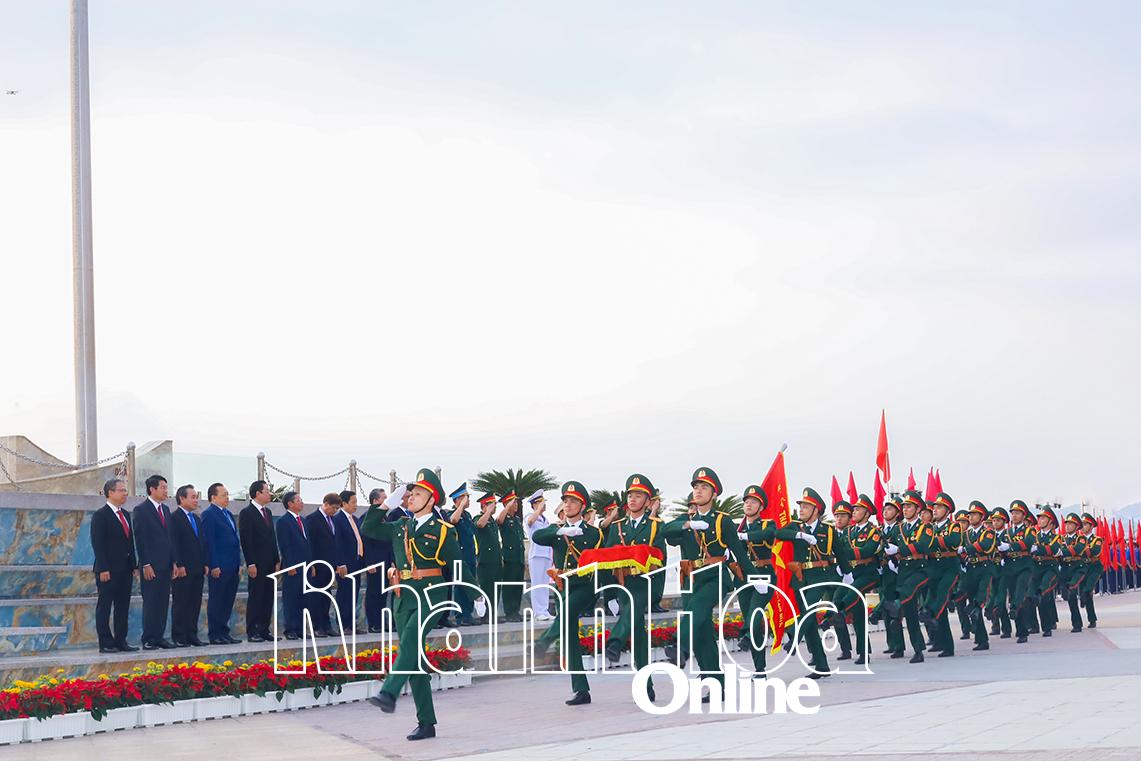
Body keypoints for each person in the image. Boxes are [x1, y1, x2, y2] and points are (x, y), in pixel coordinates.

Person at [360, 470, 474, 741]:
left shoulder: (442, 531)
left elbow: (459, 566)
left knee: (410, 641)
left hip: (431, 594)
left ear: (432, 500)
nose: (411, 497)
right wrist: (385, 505)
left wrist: (477, 594)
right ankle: (426, 723)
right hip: (403, 596)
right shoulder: (400, 525)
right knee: (415, 659)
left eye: (418, 493)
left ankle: (389, 693)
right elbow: (369, 528)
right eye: (410, 493)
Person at [663, 467, 763, 694]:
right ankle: (717, 684)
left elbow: (738, 552)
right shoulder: (685, 520)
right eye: (696, 487)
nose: (698, 491)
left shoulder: (722, 521)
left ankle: (680, 647)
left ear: (714, 494)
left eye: (704, 487)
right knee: (702, 632)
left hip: (715, 577)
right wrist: (688, 525)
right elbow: (664, 532)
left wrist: (754, 577)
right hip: (690, 580)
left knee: (697, 609)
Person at [532, 480, 604, 705]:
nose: (568, 504)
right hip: (563, 586)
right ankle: (581, 689)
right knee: (570, 637)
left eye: (573, 501)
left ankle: (543, 642)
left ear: (583, 507)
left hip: (585, 586)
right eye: (565, 500)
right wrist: (561, 529)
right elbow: (537, 537)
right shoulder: (555, 530)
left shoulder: (594, 534)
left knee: (568, 611)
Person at [603, 474, 667, 693]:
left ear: (648, 501)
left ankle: (615, 642)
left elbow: (660, 557)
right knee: (639, 635)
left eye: (638, 495)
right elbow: (608, 558)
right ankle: (646, 685)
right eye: (630, 495)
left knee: (633, 610)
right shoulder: (617, 526)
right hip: (625, 583)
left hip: (645, 582)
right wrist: (610, 595)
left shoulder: (656, 526)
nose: (632, 499)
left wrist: (657, 590)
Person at [829, 494, 882, 665]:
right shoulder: (849, 531)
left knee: (852, 594)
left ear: (867, 513)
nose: (854, 512)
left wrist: (843, 555)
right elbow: (840, 548)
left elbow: (868, 550)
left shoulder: (874, 532)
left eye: (857, 509)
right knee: (851, 607)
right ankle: (862, 651)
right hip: (852, 574)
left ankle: (842, 612)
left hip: (868, 573)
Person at [91, 478, 138, 653]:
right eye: (121, 490)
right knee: (104, 606)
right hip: (108, 570)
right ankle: (105, 642)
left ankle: (121, 641)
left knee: (122, 606)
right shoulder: (100, 515)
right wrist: (103, 568)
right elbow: (98, 544)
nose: (125, 493)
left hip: (125, 569)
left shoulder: (125, 514)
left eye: (125, 490)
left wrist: (134, 564)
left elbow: (129, 541)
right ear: (110, 493)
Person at [888, 490, 933, 663]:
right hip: (904, 570)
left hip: (920, 569)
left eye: (909, 506)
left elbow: (922, 545)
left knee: (907, 592)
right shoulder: (899, 528)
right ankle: (918, 649)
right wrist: (891, 557)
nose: (905, 509)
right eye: (904, 506)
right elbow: (888, 543)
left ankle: (896, 605)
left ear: (917, 509)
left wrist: (899, 550)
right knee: (911, 613)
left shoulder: (925, 527)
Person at [134, 474, 176, 649]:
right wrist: (146, 564)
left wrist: (174, 562)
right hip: (151, 565)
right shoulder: (141, 510)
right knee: (151, 602)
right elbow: (141, 538)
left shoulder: (166, 510)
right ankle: (149, 638)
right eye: (163, 487)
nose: (166, 491)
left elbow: (170, 538)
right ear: (152, 489)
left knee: (163, 602)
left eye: (167, 487)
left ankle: (159, 636)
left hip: (166, 564)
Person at [919, 492, 962, 657]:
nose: (935, 510)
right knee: (934, 601)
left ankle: (948, 646)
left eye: (939, 507)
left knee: (943, 594)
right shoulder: (931, 527)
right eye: (934, 507)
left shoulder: (954, 526)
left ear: (947, 510)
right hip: (933, 567)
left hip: (949, 566)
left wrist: (933, 541)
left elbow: (953, 541)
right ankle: (940, 642)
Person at [239, 480, 280, 642]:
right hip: (257, 562)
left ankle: (264, 629)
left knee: (268, 596)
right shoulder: (247, 513)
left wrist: (276, 559)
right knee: (256, 595)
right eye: (266, 491)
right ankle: (252, 630)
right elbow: (246, 540)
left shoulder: (267, 513)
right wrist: (251, 563)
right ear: (257, 494)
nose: (269, 494)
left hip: (270, 562)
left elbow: (272, 538)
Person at [201, 483, 242, 644]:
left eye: (227, 494)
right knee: (217, 599)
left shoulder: (228, 514)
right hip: (219, 566)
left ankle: (224, 632)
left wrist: (238, 564)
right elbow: (209, 542)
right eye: (224, 495)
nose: (227, 498)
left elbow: (233, 541)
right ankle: (215, 634)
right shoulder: (209, 514)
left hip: (232, 565)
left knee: (227, 600)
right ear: (213, 497)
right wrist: (214, 565)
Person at [169, 484, 207, 647]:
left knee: (194, 602)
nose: (195, 500)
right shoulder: (174, 517)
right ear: (182, 498)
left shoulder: (196, 519)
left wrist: (205, 563)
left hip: (198, 568)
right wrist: (179, 563)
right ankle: (179, 636)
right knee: (181, 603)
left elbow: (201, 543)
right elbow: (174, 542)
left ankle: (192, 635)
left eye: (196, 497)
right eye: (192, 497)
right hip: (183, 569)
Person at [960, 500, 997, 651]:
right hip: (971, 568)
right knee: (972, 603)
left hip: (985, 567)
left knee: (979, 599)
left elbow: (984, 546)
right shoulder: (966, 534)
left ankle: (982, 638)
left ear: (981, 517)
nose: (971, 517)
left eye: (974, 514)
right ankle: (981, 639)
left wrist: (965, 549)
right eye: (970, 514)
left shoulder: (988, 532)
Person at [276, 491, 312, 640]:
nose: (301, 502)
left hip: (306, 565)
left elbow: (308, 544)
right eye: (298, 500)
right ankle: (290, 629)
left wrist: (312, 564)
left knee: (304, 598)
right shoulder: (283, 521)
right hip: (293, 567)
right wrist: (290, 565)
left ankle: (300, 628)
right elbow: (285, 545)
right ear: (290, 504)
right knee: (291, 598)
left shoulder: (303, 521)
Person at [305, 493, 341, 637]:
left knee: (326, 596)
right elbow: (310, 544)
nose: (335, 511)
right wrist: (311, 563)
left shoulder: (332, 520)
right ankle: (317, 626)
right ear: (325, 504)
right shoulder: (312, 519)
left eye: (337, 508)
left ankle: (327, 625)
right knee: (316, 597)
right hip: (317, 564)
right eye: (333, 508)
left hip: (329, 565)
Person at [445, 483, 480, 626]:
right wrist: (460, 506)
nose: (468, 501)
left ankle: (468, 614)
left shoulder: (468, 515)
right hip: (459, 556)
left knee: (470, 584)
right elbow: (452, 520)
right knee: (460, 586)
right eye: (465, 498)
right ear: (457, 500)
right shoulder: (451, 513)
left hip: (470, 555)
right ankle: (460, 615)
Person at [1004, 500, 1037, 643]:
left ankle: (1023, 630)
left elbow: (1027, 543)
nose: (1014, 516)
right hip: (1011, 567)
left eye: (1017, 513)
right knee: (1013, 597)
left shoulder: (1029, 530)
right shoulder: (1007, 532)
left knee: (1019, 594)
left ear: (1024, 515)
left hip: (1025, 566)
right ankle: (1020, 629)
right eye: (1012, 513)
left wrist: (1010, 547)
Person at [333, 490, 366, 634]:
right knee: (344, 594)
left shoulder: (355, 519)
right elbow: (337, 543)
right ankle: (343, 625)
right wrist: (340, 563)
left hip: (356, 562)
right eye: (353, 502)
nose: (356, 505)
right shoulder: (338, 519)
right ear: (344, 503)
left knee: (354, 594)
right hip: (345, 565)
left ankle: (352, 624)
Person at [363, 488, 393, 632]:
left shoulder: (385, 518)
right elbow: (365, 542)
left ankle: (382, 623)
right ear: (375, 501)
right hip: (374, 562)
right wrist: (369, 562)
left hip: (386, 562)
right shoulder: (367, 517)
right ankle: (373, 623)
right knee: (373, 593)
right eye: (383, 497)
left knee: (383, 594)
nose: (386, 499)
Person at [1032, 506, 1062, 637]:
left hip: (1050, 568)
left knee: (1043, 593)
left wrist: (1037, 549)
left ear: (1050, 521)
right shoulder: (1034, 536)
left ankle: (1047, 626)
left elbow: (1054, 549)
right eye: (1039, 517)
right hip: (1036, 568)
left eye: (1043, 517)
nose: (1040, 520)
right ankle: (1033, 625)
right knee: (1030, 596)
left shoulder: (1056, 538)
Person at [525, 490, 554, 622]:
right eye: (541, 502)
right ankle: (538, 612)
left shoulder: (545, 520)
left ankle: (544, 610)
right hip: (536, 554)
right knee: (537, 584)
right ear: (535, 504)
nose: (544, 505)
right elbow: (530, 521)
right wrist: (538, 509)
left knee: (544, 584)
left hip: (546, 554)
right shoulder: (530, 516)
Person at [473, 492, 502, 623]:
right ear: (484, 506)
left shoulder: (492, 521)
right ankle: (485, 616)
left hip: (495, 560)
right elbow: (479, 524)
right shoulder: (479, 517)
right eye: (492, 504)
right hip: (485, 561)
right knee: (486, 589)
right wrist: (488, 511)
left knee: (496, 589)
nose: (494, 507)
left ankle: (492, 615)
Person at [497, 490, 526, 622]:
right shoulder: (504, 518)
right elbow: (499, 520)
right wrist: (507, 506)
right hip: (509, 557)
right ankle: (509, 612)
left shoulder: (518, 519)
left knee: (518, 585)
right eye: (514, 502)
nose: (517, 504)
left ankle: (516, 611)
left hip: (519, 556)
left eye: (516, 502)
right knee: (509, 586)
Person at [1059, 513, 1087, 633]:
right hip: (1065, 569)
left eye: (1071, 524)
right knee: (1067, 595)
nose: (1068, 526)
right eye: (1067, 523)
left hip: (1077, 568)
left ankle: (1077, 624)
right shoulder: (1061, 539)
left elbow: (1076, 550)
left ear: (1077, 526)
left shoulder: (1080, 539)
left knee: (1072, 592)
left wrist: (1061, 552)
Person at [1078, 513, 1103, 628]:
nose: (1082, 526)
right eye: (1081, 524)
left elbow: (1094, 551)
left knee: (1088, 588)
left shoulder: (1097, 539)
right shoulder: (1078, 539)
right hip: (1083, 567)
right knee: (1086, 593)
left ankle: (1084, 595)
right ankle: (1092, 619)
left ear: (1091, 526)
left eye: (1085, 524)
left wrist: (1080, 549)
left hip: (1094, 567)